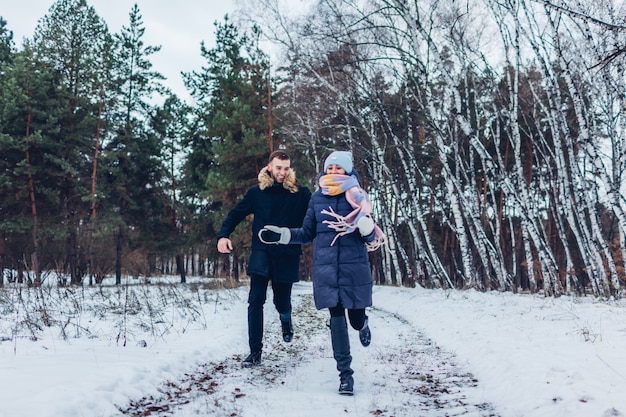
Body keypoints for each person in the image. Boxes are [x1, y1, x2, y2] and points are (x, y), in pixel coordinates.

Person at [259, 150, 385, 395]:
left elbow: (368, 235)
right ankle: (345, 376)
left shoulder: (358, 196)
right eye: (330, 168)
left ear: (348, 171)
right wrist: (283, 235)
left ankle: (363, 324)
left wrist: (367, 228)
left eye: (339, 169)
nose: (334, 172)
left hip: (354, 268)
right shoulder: (317, 199)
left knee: (355, 320)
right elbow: (307, 233)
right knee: (336, 319)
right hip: (326, 269)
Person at [216, 150, 311, 368]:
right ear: (269, 167)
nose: (282, 172)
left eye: (286, 168)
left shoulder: (301, 193)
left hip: (287, 253)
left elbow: (317, 213)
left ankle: (286, 320)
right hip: (262, 251)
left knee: (281, 302)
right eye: (278, 168)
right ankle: (255, 352)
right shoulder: (256, 192)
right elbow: (235, 214)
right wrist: (223, 235)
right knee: (256, 300)